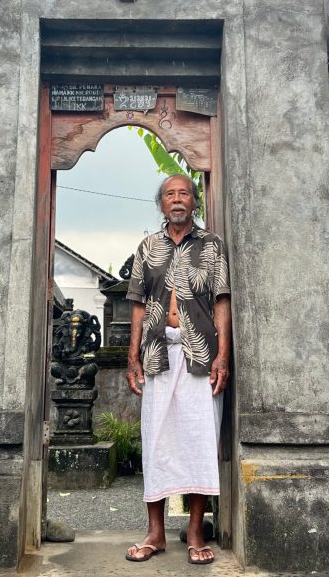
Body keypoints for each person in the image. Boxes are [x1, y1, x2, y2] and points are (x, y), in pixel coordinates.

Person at [124, 174, 231, 566]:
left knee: (199, 439)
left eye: (184, 192)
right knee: (156, 440)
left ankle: (196, 530)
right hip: (157, 355)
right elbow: (136, 304)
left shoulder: (212, 246)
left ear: (194, 201)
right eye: (170, 194)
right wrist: (131, 356)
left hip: (200, 356)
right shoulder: (147, 247)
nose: (177, 199)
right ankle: (155, 532)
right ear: (161, 203)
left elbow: (222, 302)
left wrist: (223, 356)